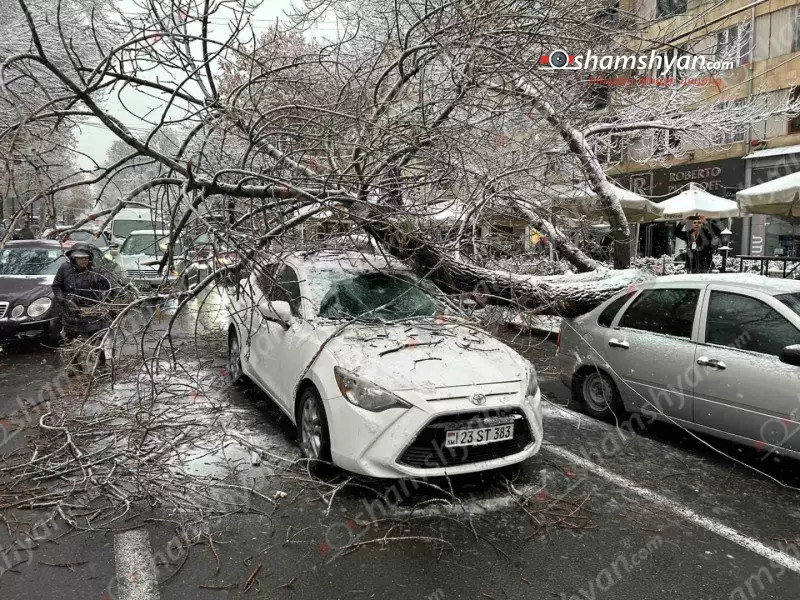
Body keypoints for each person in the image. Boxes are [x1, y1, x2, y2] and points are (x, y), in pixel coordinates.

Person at [52, 243, 112, 370]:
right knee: (71, 340)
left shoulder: (96, 271)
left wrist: (117, 295)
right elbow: (56, 286)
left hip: (91, 311)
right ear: (74, 258)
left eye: (86, 258)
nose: (83, 261)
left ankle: (101, 365)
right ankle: (74, 366)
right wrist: (63, 300)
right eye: (80, 258)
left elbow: (110, 285)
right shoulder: (64, 268)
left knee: (96, 337)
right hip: (71, 311)